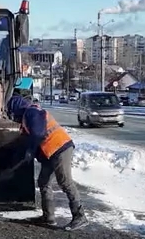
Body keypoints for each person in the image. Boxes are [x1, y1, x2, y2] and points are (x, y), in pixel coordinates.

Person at [5, 81, 87, 230]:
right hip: (51, 152)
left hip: (61, 148)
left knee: (65, 182)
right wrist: (16, 162)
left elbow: (38, 134)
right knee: (43, 182)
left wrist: (30, 150)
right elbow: (29, 141)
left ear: (16, 109)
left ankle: (80, 215)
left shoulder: (32, 112)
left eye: (12, 114)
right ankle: (48, 217)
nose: (12, 118)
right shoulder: (26, 119)